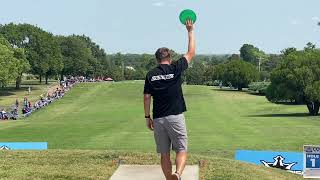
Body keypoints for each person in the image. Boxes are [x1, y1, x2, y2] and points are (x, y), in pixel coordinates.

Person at [143, 20, 195, 180]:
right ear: (170, 58)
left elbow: (146, 97)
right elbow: (191, 52)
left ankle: (169, 178)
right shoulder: (175, 68)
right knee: (181, 149)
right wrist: (190, 31)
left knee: (164, 154)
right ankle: (177, 174)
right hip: (175, 117)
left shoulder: (151, 74)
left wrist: (147, 117)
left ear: (157, 59)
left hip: (158, 118)